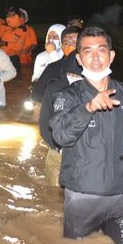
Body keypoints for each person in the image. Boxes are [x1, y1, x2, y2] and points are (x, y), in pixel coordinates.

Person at [50, 26, 123, 244]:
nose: (95, 57)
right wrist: (89, 107)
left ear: (111, 55)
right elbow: (61, 137)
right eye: (87, 51)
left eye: (101, 50)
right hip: (82, 195)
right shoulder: (67, 96)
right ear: (78, 58)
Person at [31, 25, 82, 186]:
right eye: (69, 41)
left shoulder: (55, 67)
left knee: (55, 196)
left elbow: (37, 95)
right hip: (71, 145)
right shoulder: (89, 69)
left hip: (62, 144)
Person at [1, 7, 37, 72]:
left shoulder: (30, 29)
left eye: (21, 16)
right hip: (9, 59)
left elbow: (34, 44)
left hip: (24, 60)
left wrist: (27, 50)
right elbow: (1, 42)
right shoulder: (9, 28)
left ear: (25, 18)